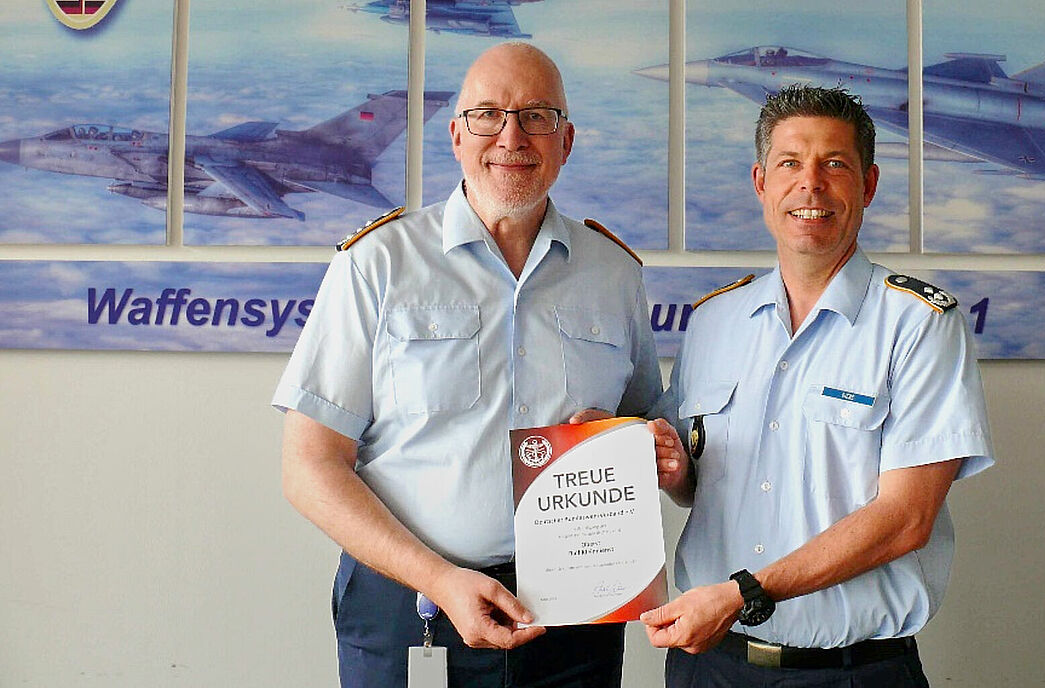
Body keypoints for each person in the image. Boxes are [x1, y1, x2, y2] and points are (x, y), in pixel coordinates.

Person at [272, 42, 661, 688]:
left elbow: (648, 428)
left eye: (538, 116)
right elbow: (308, 466)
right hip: (413, 611)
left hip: (573, 621)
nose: (511, 136)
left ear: (567, 142)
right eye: (488, 115)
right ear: (456, 136)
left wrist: (643, 445)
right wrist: (439, 580)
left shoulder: (614, 274)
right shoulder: (377, 265)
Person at [640, 84, 995, 687]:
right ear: (761, 182)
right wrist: (675, 472)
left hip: (853, 673)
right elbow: (700, 483)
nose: (811, 184)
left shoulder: (921, 324)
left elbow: (908, 518)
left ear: (869, 185)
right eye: (790, 163)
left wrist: (742, 593)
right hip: (713, 668)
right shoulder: (713, 323)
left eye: (835, 164)